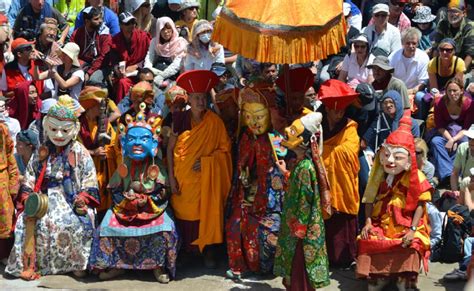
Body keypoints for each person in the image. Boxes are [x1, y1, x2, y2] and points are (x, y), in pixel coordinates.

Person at [6, 95, 99, 280]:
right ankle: (33, 264)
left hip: (71, 198)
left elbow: (90, 179)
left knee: (74, 223)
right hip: (44, 198)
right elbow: (31, 175)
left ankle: (77, 264)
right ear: (47, 126)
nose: (58, 135)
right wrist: (28, 197)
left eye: (64, 130)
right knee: (27, 221)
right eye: (54, 129)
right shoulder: (43, 150)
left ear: (74, 129)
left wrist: (83, 198)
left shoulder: (79, 151)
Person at [89, 101, 178, 283]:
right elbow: (114, 191)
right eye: (132, 139)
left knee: (166, 229)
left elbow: (165, 192)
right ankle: (115, 265)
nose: (137, 143)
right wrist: (126, 199)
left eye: (143, 139)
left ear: (153, 144)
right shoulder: (124, 166)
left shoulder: (157, 166)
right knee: (104, 229)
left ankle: (157, 266)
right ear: (124, 142)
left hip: (152, 210)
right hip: (125, 210)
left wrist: (148, 200)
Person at [357, 112, 432, 290]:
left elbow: (421, 204)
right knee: (367, 238)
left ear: (408, 161)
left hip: (408, 222)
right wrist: (367, 222)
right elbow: (369, 199)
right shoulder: (379, 174)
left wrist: (413, 229)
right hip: (380, 220)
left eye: (397, 157)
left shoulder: (417, 176)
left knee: (412, 243)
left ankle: (404, 277)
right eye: (387, 155)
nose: (390, 161)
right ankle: (378, 277)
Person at [167, 70, 232, 267]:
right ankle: (187, 250)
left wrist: (208, 162)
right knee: (185, 211)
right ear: (189, 99)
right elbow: (170, 150)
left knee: (207, 210)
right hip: (183, 176)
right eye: (196, 98)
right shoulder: (179, 119)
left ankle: (208, 250)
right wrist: (171, 178)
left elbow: (225, 151)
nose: (200, 102)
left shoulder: (214, 122)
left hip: (207, 180)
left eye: (203, 98)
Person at [225, 87, 285, 279]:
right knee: (234, 226)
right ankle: (238, 265)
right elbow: (241, 167)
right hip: (245, 196)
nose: (253, 122)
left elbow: (279, 173)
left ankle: (261, 268)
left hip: (269, 202)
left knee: (265, 232)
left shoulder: (276, 139)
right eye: (248, 117)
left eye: (259, 117)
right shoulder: (244, 137)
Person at [274, 112, 331, 290]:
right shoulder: (300, 163)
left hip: (301, 224)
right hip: (296, 221)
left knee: (301, 258)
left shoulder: (305, 167)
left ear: (304, 142)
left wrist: (300, 226)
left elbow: (305, 200)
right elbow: (296, 187)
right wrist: (285, 173)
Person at [318, 79, 360, 268]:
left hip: (342, 180)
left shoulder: (350, 126)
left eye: (342, 110)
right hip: (322, 179)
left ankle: (345, 257)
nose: (339, 113)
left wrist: (325, 151)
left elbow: (350, 151)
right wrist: (329, 149)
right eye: (335, 110)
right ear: (326, 109)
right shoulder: (317, 125)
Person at [78, 86, 121, 216]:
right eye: (98, 106)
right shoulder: (79, 125)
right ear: (90, 107)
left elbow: (113, 142)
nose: (102, 109)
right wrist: (93, 152)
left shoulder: (104, 123)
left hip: (107, 168)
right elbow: (77, 148)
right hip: (89, 170)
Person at [430, 78, 474, 188]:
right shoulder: (439, 102)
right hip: (445, 133)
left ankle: (453, 174)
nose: (452, 93)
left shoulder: (469, 104)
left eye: (455, 90)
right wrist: (450, 139)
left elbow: (466, 128)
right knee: (436, 142)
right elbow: (439, 125)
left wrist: (454, 140)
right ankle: (448, 175)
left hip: (461, 134)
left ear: (462, 90)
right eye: (449, 91)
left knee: (463, 142)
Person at [362, 90, 420, 163]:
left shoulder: (411, 123)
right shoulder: (379, 120)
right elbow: (368, 141)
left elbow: (415, 146)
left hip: (403, 159)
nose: (388, 105)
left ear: (398, 103)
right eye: (385, 103)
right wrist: (369, 155)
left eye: (391, 102)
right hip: (381, 158)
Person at [110, 12, 151, 103]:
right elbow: (114, 61)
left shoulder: (143, 37)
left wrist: (137, 65)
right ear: (120, 25)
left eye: (133, 22)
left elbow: (150, 55)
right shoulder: (115, 40)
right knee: (122, 82)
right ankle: (123, 110)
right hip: (125, 75)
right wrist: (118, 70)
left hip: (142, 71)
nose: (131, 26)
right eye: (127, 23)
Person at [4, 38, 43, 129]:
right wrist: (22, 92)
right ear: (19, 54)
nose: (32, 50)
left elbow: (49, 90)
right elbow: (5, 93)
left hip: (36, 110)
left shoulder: (37, 65)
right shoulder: (8, 69)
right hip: (17, 111)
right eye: (28, 48)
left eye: (31, 47)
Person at [70, 6, 112, 86]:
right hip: (82, 64)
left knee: (93, 80)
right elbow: (72, 52)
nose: (100, 21)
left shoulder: (104, 34)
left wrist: (89, 73)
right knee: (72, 75)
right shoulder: (78, 33)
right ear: (87, 21)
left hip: (102, 66)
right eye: (96, 19)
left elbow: (103, 57)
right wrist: (79, 66)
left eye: (100, 18)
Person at [144, 16, 187, 87]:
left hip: (172, 76)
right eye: (162, 29)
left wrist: (162, 76)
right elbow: (149, 56)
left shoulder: (180, 42)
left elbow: (177, 64)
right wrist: (147, 70)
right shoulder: (155, 41)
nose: (166, 32)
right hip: (155, 73)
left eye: (168, 28)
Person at [388, 28, 429, 102]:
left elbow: (423, 83)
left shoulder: (423, 57)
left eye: (414, 43)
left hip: (415, 91)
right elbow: (388, 78)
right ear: (402, 43)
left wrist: (411, 92)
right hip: (396, 91)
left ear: (418, 43)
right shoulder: (393, 57)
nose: (411, 46)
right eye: (408, 43)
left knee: (420, 98)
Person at [433, 0, 474, 71]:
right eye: (450, 11)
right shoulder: (442, 24)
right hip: (445, 64)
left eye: (455, 11)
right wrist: (435, 68)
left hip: (465, 65)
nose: (452, 14)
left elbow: (470, 54)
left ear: (463, 13)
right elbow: (436, 48)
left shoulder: (470, 27)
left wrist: (460, 73)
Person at [0, 121, 19, 263]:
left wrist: (13, 185)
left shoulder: (2, 129)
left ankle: (3, 255)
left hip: (2, 178)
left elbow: (10, 155)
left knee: (5, 218)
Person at [450, 124, 474, 192]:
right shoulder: (462, 147)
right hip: (465, 185)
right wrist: (455, 191)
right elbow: (455, 173)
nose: (471, 141)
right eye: (469, 138)